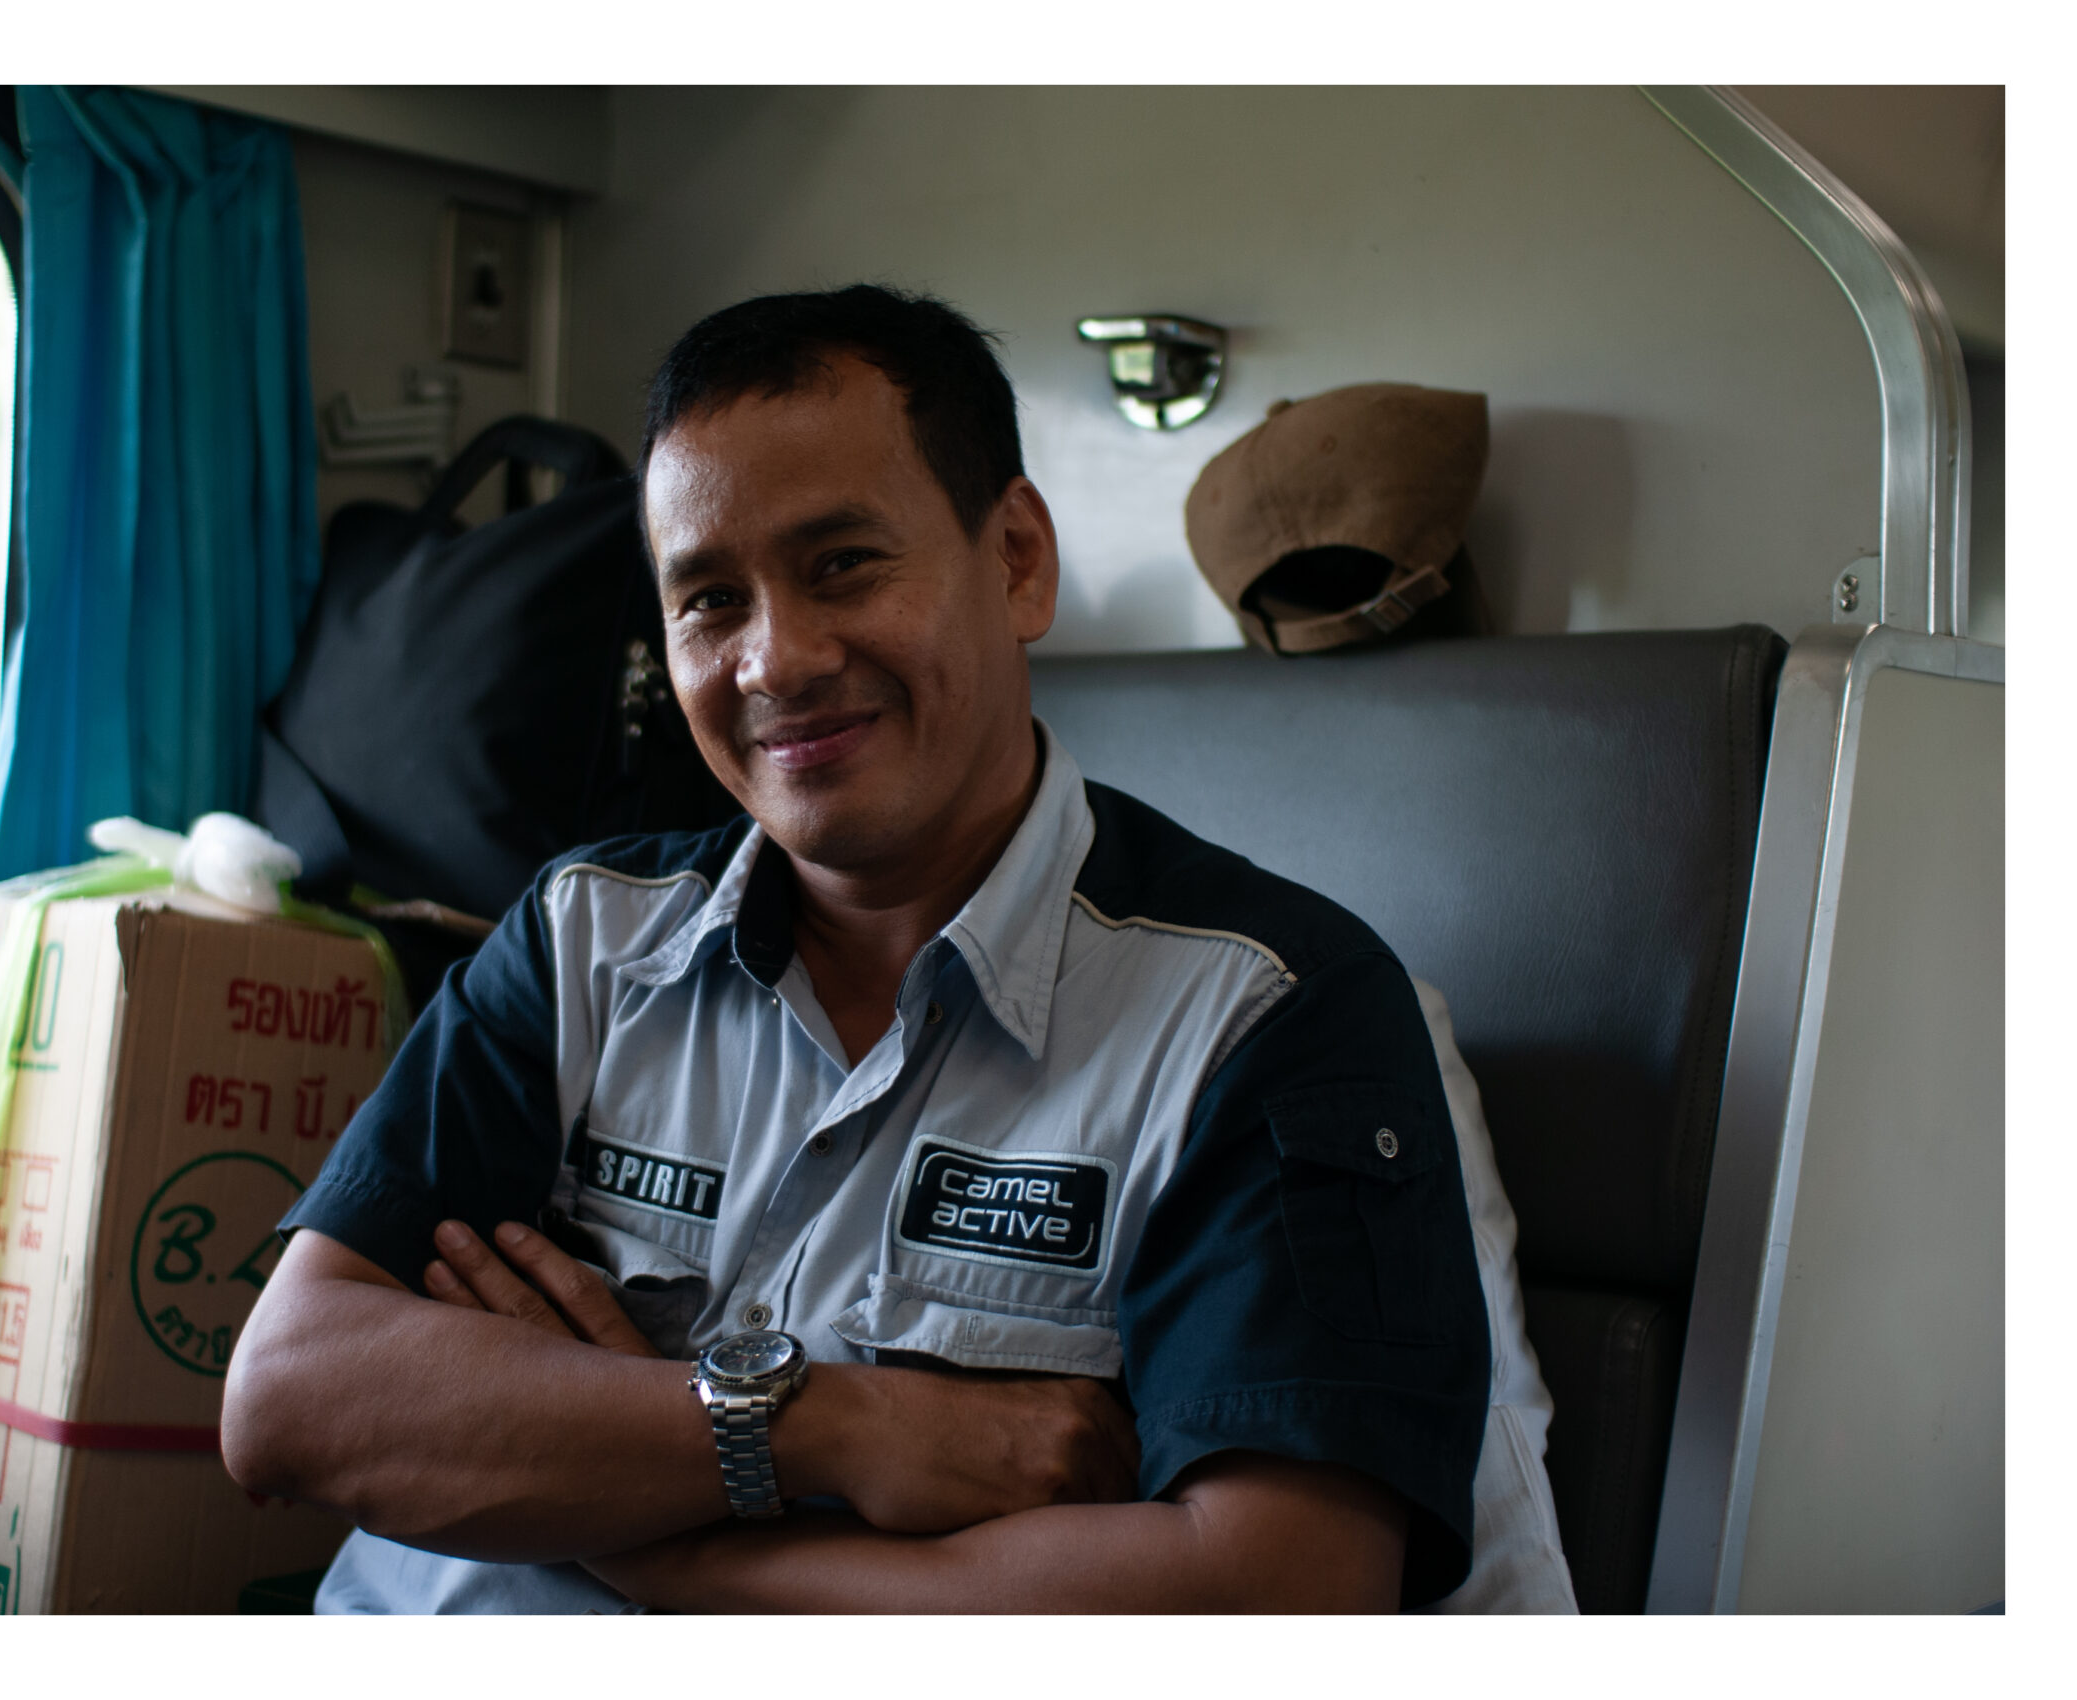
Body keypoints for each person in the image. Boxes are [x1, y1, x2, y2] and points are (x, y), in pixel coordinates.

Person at [221, 284, 1493, 1613]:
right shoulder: (581, 935)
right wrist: (827, 1427)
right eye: (712, 600)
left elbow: (1278, 1596)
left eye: (842, 564)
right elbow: (290, 1397)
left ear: (1016, 560)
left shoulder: (1263, 1016)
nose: (775, 661)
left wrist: (646, 1529)